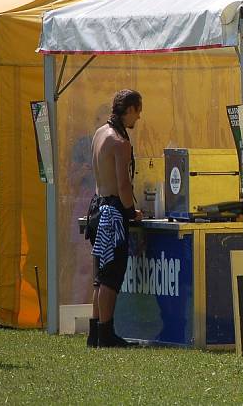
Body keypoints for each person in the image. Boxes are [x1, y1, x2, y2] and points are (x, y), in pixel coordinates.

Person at [86, 89, 143, 348]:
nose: (139, 117)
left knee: (99, 276)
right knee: (110, 277)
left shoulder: (99, 133)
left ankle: (95, 332)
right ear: (129, 109)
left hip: (96, 208)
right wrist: (132, 212)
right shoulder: (120, 142)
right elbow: (123, 185)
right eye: (138, 111)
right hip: (112, 212)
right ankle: (106, 334)